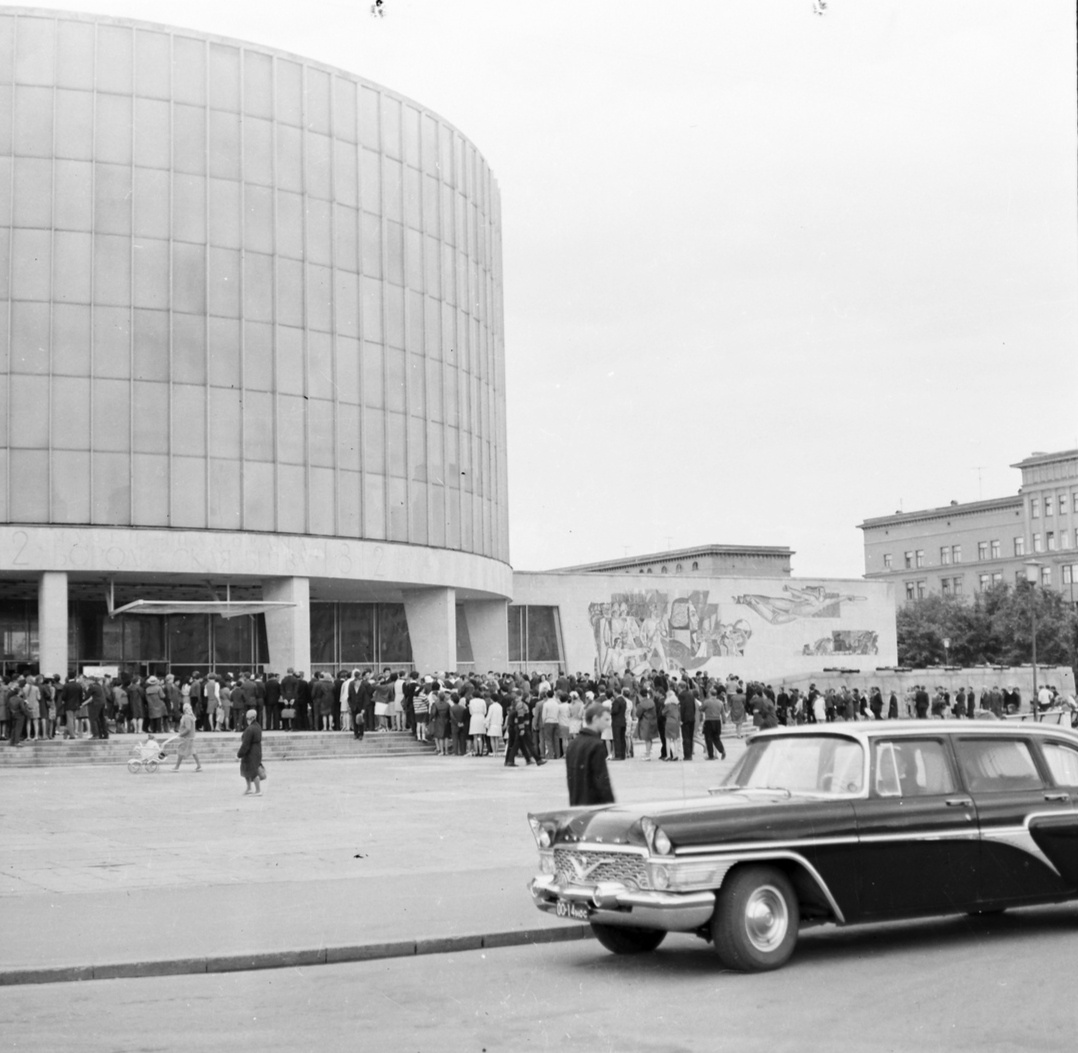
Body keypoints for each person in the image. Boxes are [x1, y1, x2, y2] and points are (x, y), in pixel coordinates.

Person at [564, 701, 615, 806]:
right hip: (593, 804)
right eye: (606, 719)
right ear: (595, 719)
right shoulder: (596, 745)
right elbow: (601, 780)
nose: (608, 723)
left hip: (576, 802)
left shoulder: (573, 744)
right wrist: (610, 805)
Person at [170, 701, 203, 772]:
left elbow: (188, 728)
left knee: (181, 751)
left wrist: (181, 734)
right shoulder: (191, 716)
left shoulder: (186, 717)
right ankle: (199, 766)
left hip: (186, 738)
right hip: (190, 737)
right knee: (193, 751)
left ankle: (176, 767)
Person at [237, 708, 263, 796]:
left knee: (252, 771)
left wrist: (239, 754)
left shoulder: (250, 729)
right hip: (257, 751)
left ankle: (258, 790)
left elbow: (246, 744)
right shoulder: (258, 726)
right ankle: (249, 789)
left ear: (250, 718)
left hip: (250, 752)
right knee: (247, 770)